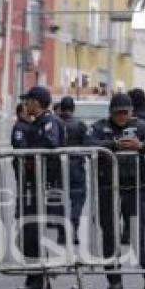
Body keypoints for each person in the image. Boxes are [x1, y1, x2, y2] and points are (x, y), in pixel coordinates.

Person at [86, 92, 145, 289]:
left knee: (143, 233)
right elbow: (88, 144)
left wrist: (140, 146)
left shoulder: (142, 126)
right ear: (111, 112)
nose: (122, 116)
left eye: (125, 112)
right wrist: (113, 145)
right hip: (109, 188)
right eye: (118, 113)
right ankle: (114, 280)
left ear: (131, 112)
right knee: (110, 234)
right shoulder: (99, 127)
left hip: (139, 187)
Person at [12, 86, 65, 289]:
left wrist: (31, 153)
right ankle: (36, 277)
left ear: (37, 102)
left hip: (41, 186)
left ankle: (38, 279)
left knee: (33, 231)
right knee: (29, 231)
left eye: (29, 101)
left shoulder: (49, 122)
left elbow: (50, 144)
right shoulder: (38, 123)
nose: (26, 105)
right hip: (33, 185)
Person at [56, 96, 88, 245]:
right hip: (76, 166)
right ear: (73, 108)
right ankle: (73, 230)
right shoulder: (80, 125)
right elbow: (88, 145)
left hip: (58, 166)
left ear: (61, 108)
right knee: (77, 200)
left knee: (60, 200)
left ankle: (62, 233)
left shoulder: (54, 123)